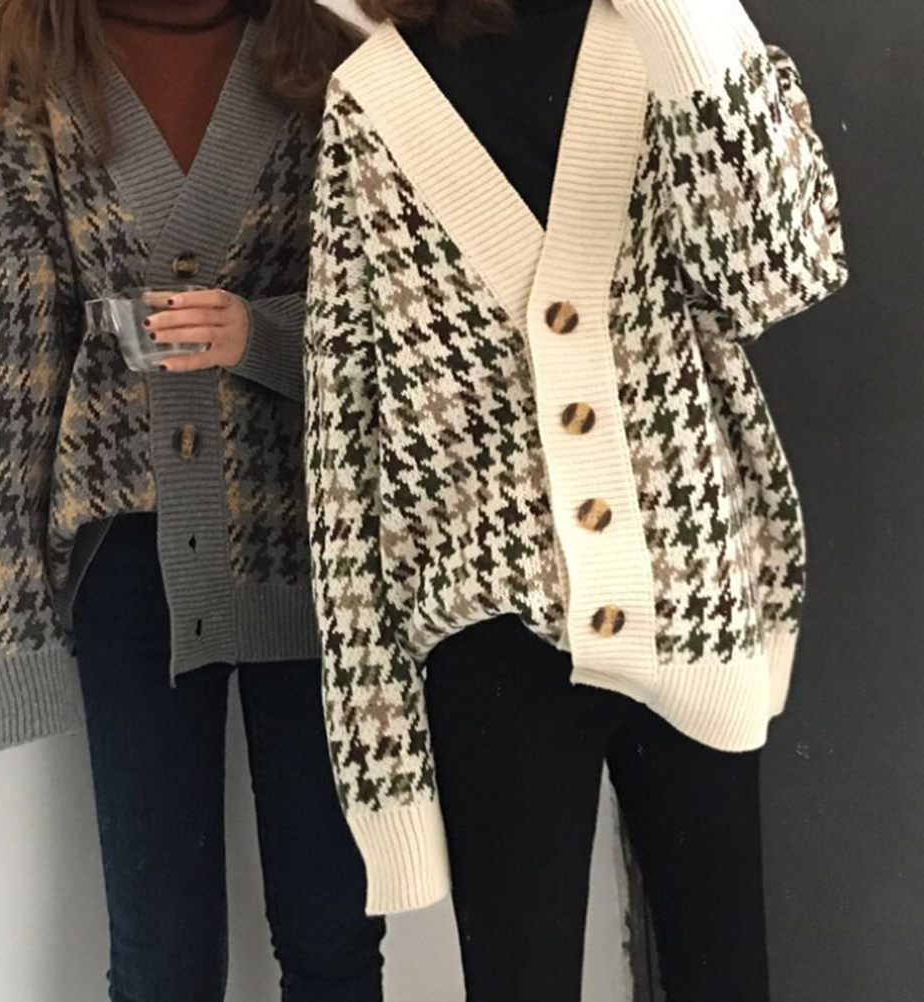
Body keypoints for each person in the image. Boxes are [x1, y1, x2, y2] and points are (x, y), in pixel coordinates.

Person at [304, 0, 847, 999]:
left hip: (689, 597)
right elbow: (346, 432)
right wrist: (384, 779)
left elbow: (781, 275)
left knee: (727, 974)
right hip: (491, 634)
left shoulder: (674, 38)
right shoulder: (376, 94)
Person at [0, 2, 385, 1000]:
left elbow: (399, 322)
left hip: (319, 555)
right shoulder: (38, 78)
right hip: (129, 568)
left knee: (335, 940)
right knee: (163, 962)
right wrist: (11, 638)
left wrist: (260, 335)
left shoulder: (333, 67)